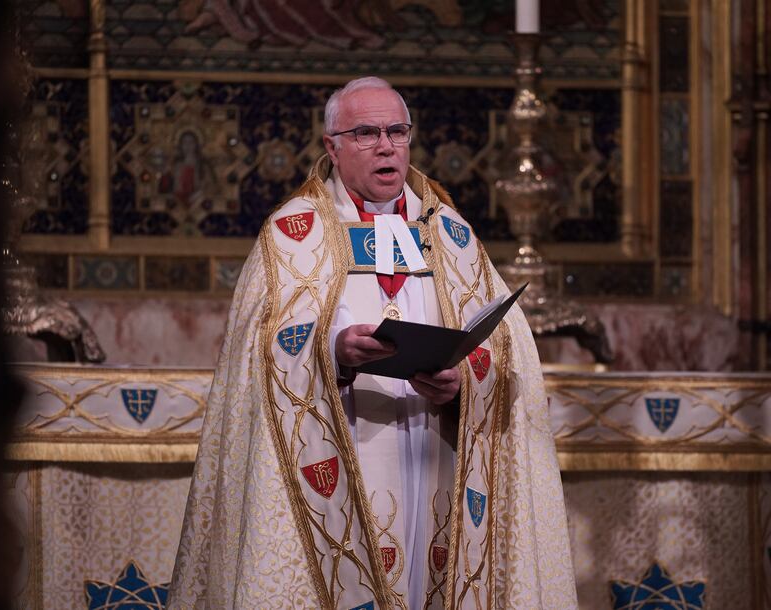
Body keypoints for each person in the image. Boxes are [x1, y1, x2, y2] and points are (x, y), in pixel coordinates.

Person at [168, 77, 577, 609]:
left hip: (436, 456)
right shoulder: (294, 234)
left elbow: (504, 345)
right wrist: (332, 353)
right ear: (331, 147)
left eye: (397, 131)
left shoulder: (449, 232)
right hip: (345, 448)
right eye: (365, 133)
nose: (386, 146)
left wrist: (463, 379)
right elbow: (257, 351)